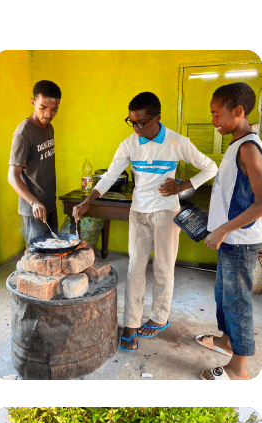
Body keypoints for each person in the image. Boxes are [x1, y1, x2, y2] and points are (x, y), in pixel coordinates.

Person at [74, 92, 217, 352]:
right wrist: (88, 201)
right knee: (135, 268)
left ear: (157, 118)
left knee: (163, 268)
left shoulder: (176, 142)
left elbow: (210, 167)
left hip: (166, 214)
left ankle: (159, 317)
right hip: (138, 212)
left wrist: (183, 185)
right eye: (132, 122)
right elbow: (109, 175)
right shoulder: (130, 143)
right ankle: (130, 324)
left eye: (142, 123)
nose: (137, 128)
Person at [197, 83, 262, 381]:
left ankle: (239, 368)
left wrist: (223, 228)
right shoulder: (235, 144)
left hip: (240, 242)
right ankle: (226, 341)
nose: (213, 120)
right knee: (223, 296)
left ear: (238, 112)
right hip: (229, 239)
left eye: (216, 114)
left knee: (237, 303)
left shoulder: (249, 148)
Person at [8, 80, 61, 246]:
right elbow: (12, 176)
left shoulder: (49, 128)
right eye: (43, 107)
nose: (48, 114)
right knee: (36, 258)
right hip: (33, 210)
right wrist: (34, 202)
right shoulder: (23, 133)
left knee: (53, 252)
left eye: (54, 109)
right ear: (33, 102)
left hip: (49, 204)